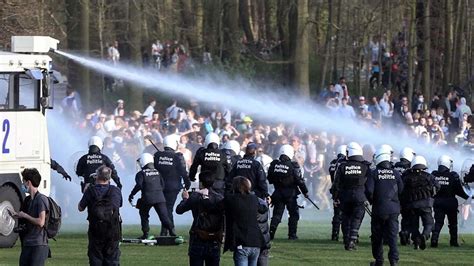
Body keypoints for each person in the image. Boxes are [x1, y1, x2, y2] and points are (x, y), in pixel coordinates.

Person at [176, 171, 225, 266]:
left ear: (201, 183)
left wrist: (185, 199)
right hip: (214, 238)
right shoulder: (219, 198)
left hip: (198, 236)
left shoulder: (195, 196)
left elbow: (179, 210)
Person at [366, 148, 404, 266]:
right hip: (394, 210)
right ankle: (394, 261)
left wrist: (372, 201)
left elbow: (369, 191)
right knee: (393, 236)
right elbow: (402, 190)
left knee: (377, 236)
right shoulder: (396, 173)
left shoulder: (374, 173)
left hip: (379, 209)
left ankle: (379, 260)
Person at [78, 166, 122, 266]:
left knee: (96, 258)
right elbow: (119, 205)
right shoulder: (115, 191)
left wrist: (85, 192)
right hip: (113, 230)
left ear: (97, 176)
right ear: (109, 178)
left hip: (96, 229)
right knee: (112, 259)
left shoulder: (90, 190)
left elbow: (80, 208)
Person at [331, 142, 370, 250]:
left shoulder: (343, 166)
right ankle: (352, 240)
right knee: (357, 218)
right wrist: (368, 198)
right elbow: (369, 184)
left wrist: (335, 197)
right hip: (359, 196)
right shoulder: (365, 166)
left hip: (345, 196)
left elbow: (336, 184)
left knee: (346, 218)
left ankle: (346, 239)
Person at [129, 153, 176, 239]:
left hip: (147, 198)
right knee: (164, 216)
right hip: (160, 198)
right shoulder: (158, 172)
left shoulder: (141, 173)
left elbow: (139, 185)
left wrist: (132, 194)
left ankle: (145, 233)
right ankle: (173, 233)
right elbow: (163, 185)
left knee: (143, 214)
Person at [268, 144, 309, 240]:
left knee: (277, 215)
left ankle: (271, 233)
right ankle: (292, 235)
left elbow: (269, 178)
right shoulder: (293, 165)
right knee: (294, 214)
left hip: (277, 193)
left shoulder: (274, 164)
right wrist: (305, 192)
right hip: (290, 194)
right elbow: (299, 180)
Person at [224, 176, 267, 266]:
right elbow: (263, 208)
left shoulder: (231, 199)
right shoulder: (254, 198)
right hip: (256, 241)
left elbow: (216, 207)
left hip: (242, 242)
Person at [154, 135, 191, 236]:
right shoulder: (178, 156)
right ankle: (171, 230)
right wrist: (187, 184)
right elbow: (184, 171)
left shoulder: (158, 155)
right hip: (173, 187)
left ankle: (165, 230)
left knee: (164, 208)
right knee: (168, 208)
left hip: (159, 186)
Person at [12, 169, 50, 266]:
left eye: (23, 182)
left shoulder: (41, 199)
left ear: (28, 182)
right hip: (27, 243)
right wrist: (18, 215)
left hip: (38, 244)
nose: (22, 184)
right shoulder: (28, 200)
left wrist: (25, 215)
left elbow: (41, 222)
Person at [401, 156, 439, 250]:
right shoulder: (429, 176)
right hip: (426, 204)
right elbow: (437, 186)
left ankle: (417, 241)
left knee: (413, 225)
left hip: (412, 205)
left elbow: (401, 189)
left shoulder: (406, 177)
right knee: (429, 224)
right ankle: (425, 236)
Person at [431, 155, 467, 247]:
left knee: (438, 222)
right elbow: (459, 190)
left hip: (438, 202)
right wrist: (467, 196)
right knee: (453, 223)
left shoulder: (434, 175)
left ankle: (434, 240)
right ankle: (453, 241)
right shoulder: (453, 176)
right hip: (451, 202)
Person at [393, 147, 416, 246]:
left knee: (393, 218)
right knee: (407, 217)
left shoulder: (394, 166)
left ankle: (388, 236)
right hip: (406, 196)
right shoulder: (410, 168)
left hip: (393, 195)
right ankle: (405, 234)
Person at [328, 144, 346, 241]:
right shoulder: (345, 163)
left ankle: (334, 235)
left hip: (335, 190)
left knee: (336, 213)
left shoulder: (333, 163)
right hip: (344, 190)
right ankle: (347, 235)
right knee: (346, 214)